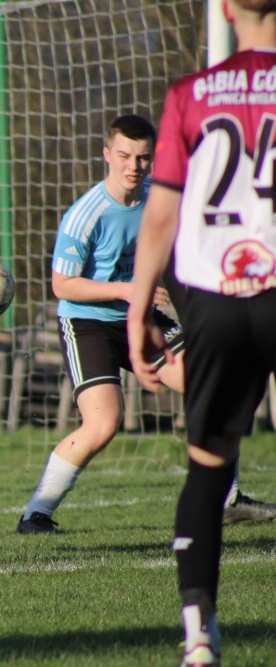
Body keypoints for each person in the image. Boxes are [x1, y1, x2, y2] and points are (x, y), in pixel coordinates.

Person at [16, 114, 276, 536]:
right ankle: (35, 516)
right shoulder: (86, 215)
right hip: (89, 323)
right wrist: (127, 290)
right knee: (103, 424)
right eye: (124, 156)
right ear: (107, 155)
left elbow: (174, 257)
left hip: (140, 316)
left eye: (142, 158)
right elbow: (61, 284)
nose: (133, 166)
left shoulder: (160, 198)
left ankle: (227, 501)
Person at [126, 2, 276, 664]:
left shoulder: (190, 94)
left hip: (213, 298)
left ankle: (198, 634)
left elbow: (160, 215)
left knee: (208, 467)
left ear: (226, 8)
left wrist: (138, 309)